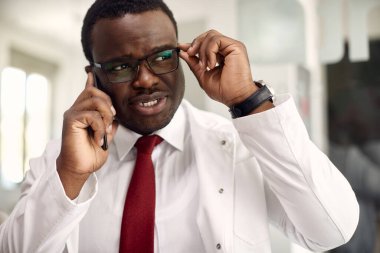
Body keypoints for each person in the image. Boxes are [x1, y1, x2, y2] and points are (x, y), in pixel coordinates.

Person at [0, 0, 359, 252]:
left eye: (161, 57)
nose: (145, 80)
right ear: (93, 77)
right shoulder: (59, 163)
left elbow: (332, 230)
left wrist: (249, 100)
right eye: (121, 66)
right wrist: (71, 176)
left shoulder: (239, 148)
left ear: (182, 56)